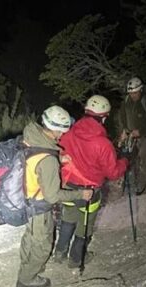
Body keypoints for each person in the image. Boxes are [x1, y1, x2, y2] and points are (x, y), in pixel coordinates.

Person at [16, 106, 93, 287]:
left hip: (27, 198)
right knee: (42, 245)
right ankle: (26, 280)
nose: (62, 136)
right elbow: (53, 195)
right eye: (62, 132)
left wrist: (58, 157)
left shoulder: (31, 136)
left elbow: (37, 158)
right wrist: (79, 194)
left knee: (31, 238)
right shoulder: (48, 159)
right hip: (39, 207)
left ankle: (27, 266)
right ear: (57, 130)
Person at [56, 94, 129, 268]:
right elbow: (112, 173)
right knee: (85, 226)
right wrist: (125, 161)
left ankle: (59, 253)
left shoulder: (69, 132)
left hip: (68, 186)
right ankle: (76, 258)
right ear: (104, 117)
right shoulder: (103, 144)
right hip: (89, 191)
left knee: (68, 219)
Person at [117, 76, 146, 194]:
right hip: (130, 136)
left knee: (144, 161)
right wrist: (123, 130)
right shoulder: (126, 101)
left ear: (140, 90)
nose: (133, 95)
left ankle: (141, 185)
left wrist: (141, 131)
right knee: (131, 160)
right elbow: (122, 117)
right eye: (131, 93)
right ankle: (129, 183)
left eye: (135, 92)